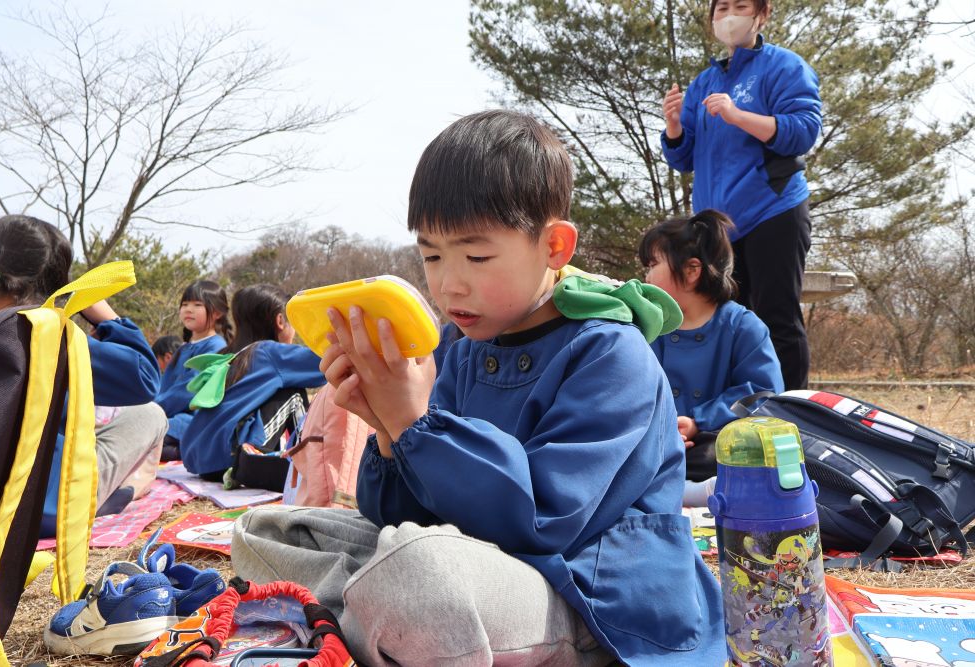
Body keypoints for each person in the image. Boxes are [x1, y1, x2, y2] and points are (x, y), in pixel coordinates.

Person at [230, 110, 725, 666]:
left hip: (590, 597)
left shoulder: (610, 352)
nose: (449, 282)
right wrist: (392, 431)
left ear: (554, 247)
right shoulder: (463, 350)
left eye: (477, 255)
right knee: (264, 530)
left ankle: (380, 615)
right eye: (432, 256)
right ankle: (386, 616)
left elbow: (543, 519)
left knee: (416, 570)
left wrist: (418, 425)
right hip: (467, 564)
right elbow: (396, 513)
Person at [661, 0, 822, 390]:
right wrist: (673, 126)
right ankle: (734, 417)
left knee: (776, 317)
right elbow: (684, 158)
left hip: (773, 209)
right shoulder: (705, 82)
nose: (729, 15)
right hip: (718, 226)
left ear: (761, 14)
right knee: (729, 321)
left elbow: (803, 131)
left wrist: (737, 115)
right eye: (721, 8)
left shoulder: (784, 66)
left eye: (740, 6)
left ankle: (791, 415)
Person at [0, 215, 166, 538]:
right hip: (42, 510)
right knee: (152, 415)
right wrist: (100, 309)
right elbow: (145, 377)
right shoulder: (52, 337)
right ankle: (125, 492)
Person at [639, 208, 783, 482]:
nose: (647, 276)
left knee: (726, 457)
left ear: (692, 270)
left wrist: (698, 422)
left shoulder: (742, 326)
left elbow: (763, 394)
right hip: (658, 440)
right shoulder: (649, 327)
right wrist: (660, 433)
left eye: (653, 265)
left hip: (716, 439)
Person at [179, 284, 325, 478]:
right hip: (236, 458)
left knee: (282, 386)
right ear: (280, 321)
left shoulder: (229, 355)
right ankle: (305, 464)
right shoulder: (270, 352)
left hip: (202, 460)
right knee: (292, 393)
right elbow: (326, 364)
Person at [155, 280, 232, 460]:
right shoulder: (183, 349)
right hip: (170, 415)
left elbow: (189, 390)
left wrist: (155, 408)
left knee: (146, 438)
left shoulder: (216, 347)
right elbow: (164, 385)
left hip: (194, 421)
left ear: (217, 313)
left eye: (197, 305)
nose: (188, 309)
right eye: (185, 304)